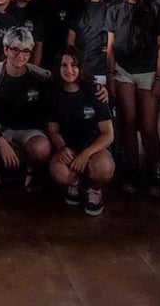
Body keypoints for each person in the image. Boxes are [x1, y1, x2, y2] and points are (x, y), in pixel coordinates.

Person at [105, 0, 160, 193]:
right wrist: (110, 74)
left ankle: (154, 170)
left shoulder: (154, 9)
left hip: (148, 72)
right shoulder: (114, 9)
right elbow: (110, 46)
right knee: (128, 123)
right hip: (122, 71)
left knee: (149, 126)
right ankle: (132, 170)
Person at [0, 27, 52, 190]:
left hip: (28, 130)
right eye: (15, 50)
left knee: (42, 148)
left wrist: (99, 88)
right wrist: (0, 141)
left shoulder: (41, 77)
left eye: (26, 51)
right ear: (5, 49)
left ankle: (30, 170)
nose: (21, 56)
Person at [47, 46, 114, 213]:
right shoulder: (54, 94)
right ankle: (74, 183)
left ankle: (95, 189)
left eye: (74, 65)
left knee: (103, 168)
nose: (69, 70)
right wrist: (62, 148)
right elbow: (53, 130)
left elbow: (108, 134)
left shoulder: (96, 92)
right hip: (69, 148)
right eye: (64, 65)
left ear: (81, 67)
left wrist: (87, 154)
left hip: (93, 148)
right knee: (59, 171)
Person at [32, 0, 79, 69]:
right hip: (36, 53)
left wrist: (68, 57)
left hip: (61, 54)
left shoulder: (70, 1)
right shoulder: (34, 0)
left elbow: (71, 31)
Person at [68, 0, 109, 87]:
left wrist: (113, 48)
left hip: (102, 69)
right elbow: (71, 41)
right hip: (80, 68)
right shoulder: (77, 7)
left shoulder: (111, 7)